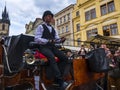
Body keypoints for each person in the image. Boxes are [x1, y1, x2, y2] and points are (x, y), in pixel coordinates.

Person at [34, 10, 70, 89]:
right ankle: (60, 81)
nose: (49, 17)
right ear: (44, 18)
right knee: (52, 58)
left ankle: (58, 77)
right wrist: (48, 40)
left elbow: (57, 40)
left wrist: (61, 40)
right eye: (48, 16)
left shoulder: (53, 29)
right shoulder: (40, 27)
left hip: (52, 47)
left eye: (50, 16)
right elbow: (36, 39)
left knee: (65, 58)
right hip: (43, 47)